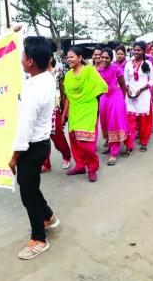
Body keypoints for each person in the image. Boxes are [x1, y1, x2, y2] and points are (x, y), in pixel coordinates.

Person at [8, 36, 59, 260]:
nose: (20, 58)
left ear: (30, 61)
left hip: (31, 147)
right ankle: (48, 216)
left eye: (23, 54)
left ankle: (39, 238)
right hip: (41, 145)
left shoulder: (34, 89)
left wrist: (14, 157)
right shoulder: (46, 77)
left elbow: (25, 129)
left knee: (28, 193)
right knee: (32, 186)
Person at [62, 47, 107, 182]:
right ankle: (80, 165)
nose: (69, 59)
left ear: (80, 57)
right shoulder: (68, 75)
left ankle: (92, 167)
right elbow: (68, 96)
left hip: (88, 107)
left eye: (72, 57)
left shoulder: (89, 71)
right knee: (74, 139)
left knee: (85, 141)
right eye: (67, 57)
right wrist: (65, 113)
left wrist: (89, 99)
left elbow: (101, 86)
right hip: (75, 109)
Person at [123, 41, 153, 153]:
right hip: (130, 95)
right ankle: (129, 145)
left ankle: (144, 142)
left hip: (143, 95)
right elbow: (126, 79)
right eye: (134, 49)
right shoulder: (128, 64)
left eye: (138, 50)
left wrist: (141, 89)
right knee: (129, 121)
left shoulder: (148, 64)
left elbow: (152, 80)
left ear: (143, 51)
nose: (136, 52)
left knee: (144, 121)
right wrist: (127, 89)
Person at [97, 48, 128, 165]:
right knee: (105, 123)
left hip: (116, 98)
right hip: (104, 98)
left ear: (111, 58)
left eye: (107, 58)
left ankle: (114, 153)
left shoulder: (117, 69)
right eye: (102, 57)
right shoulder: (98, 71)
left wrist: (122, 99)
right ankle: (110, 146)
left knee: (114, 123)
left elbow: (123, 85)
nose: (104, 60)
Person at [41, 57, 72, 172]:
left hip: (55, 109)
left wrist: (64, 114)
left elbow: (64, 94)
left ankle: (66, 155)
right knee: (42, 138)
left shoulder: (58, 72)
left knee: (57, 137)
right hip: (41, 111)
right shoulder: (38, 74)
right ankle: (46, 164)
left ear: (50, 58)